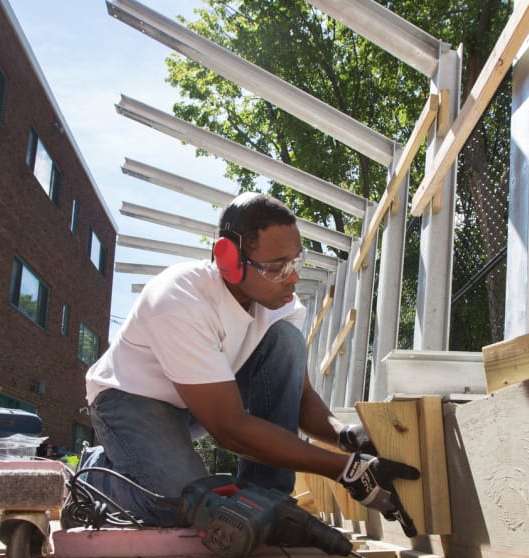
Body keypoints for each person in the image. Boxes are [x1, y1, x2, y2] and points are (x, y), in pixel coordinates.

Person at [80, 192, 419, 529]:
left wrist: (346, 437)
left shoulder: (280, 303)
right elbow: (230, 431)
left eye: (296, 262)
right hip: (130, 401)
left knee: (287, 341)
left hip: (198, 403)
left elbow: (298, 400)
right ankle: (96, 476)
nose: (293, 278)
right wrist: (346, 470)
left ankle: (267, 497)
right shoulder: (180, 301)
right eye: (277, 267)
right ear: (229, 260)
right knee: (181, 505)